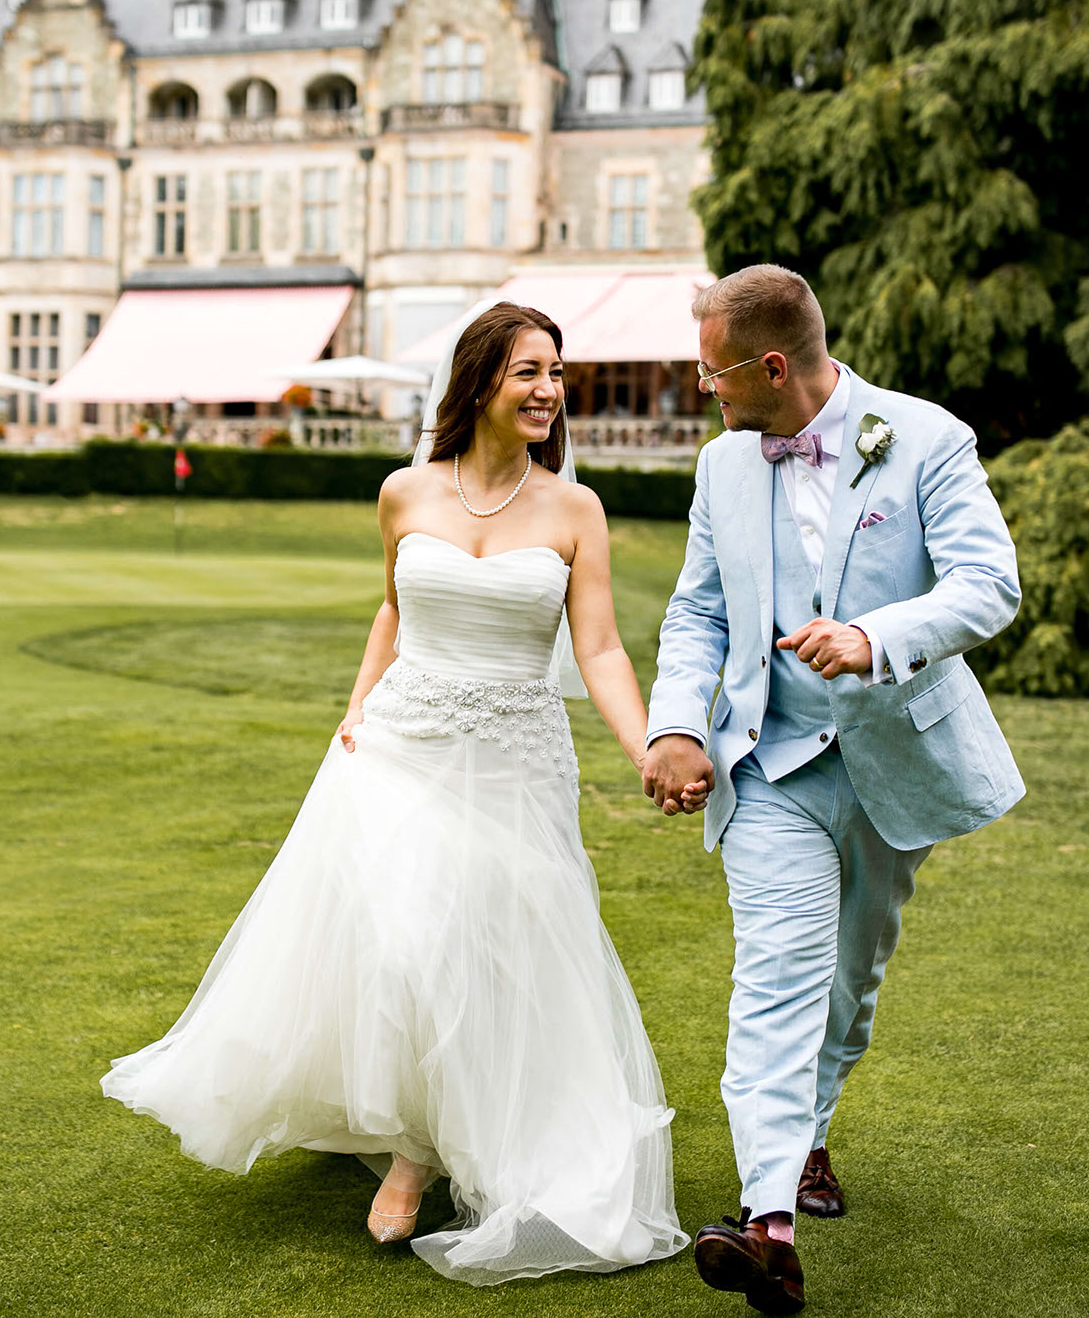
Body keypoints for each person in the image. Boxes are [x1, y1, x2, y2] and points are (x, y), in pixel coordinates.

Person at [102, 302, 693, 1285]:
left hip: (513, 759)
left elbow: (596, 647)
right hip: (400, 742)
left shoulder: (573, 510)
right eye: (528, 371)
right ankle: (412, 1146)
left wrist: (645, 747)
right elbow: (392, 609)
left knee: (486, 944)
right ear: (480, 382)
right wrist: (355, 707)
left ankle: (431, 1142)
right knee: (409, 938)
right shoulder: (404, 491)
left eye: (557, 372)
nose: (548, 390)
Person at [636, 265, 1023, 1316]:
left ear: (772, 366)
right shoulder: (721, 465)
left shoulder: (925, 437)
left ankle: (807, 1135)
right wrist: (676, 724)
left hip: (894, 761)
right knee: (776, 976)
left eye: (713, 372)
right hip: (769, 766)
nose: (704, 390)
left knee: (850, 981)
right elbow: (697, 613)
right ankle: (768, 1223)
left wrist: (874, 637)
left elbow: (988, 584)